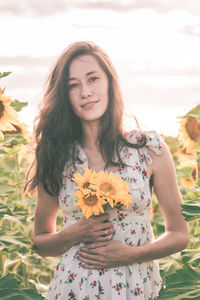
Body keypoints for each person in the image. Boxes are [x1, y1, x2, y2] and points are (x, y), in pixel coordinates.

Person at [25, 41, 189, 300]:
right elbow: (41, 241)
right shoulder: (57, 155)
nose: (85, 92)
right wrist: (74, 232)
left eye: (93, 79)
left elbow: (180, 234)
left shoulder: (149, 149)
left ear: (110, 83)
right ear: (64, 95)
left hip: (136, 287)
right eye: (73, 85)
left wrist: (133, 254)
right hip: (74, 289)